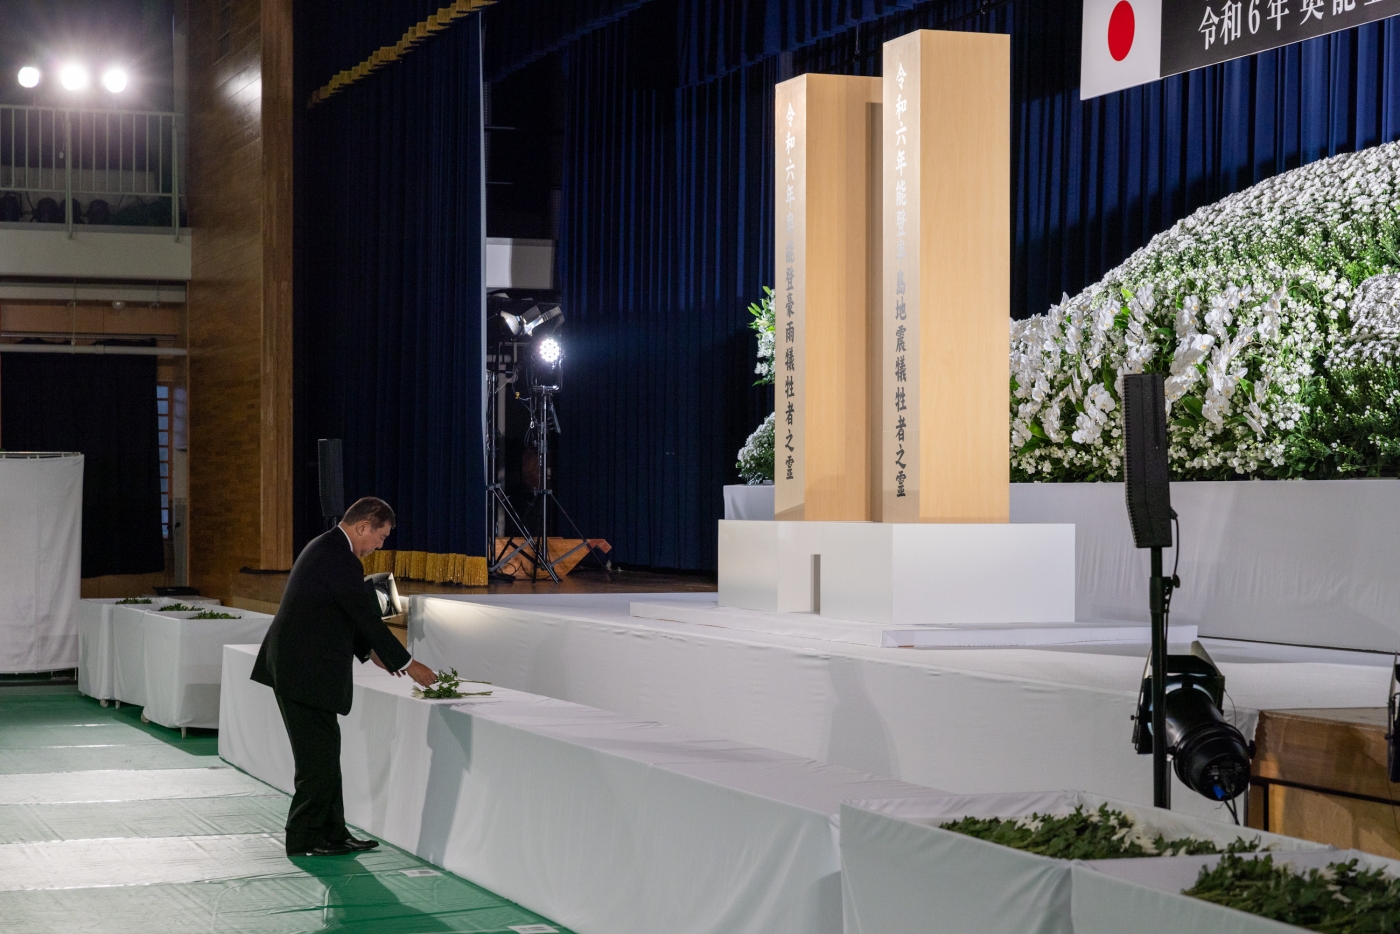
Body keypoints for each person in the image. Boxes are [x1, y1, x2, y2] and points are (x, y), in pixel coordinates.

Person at [251, 496, 436, 856]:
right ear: (363, 526)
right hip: (301, 674)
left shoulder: (329, 548)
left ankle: (333, 833)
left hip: (301, 671)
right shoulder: (338, 556)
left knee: (325, 757)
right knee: (315, 764)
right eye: (379, 537)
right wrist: (408, 663)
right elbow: (364, 618)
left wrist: (368, 653)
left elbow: (337, 614)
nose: (379, 546)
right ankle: (304, 838)